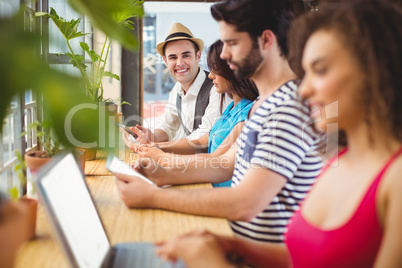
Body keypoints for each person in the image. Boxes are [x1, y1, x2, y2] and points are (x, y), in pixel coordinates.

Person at [154, 1, 402, 267]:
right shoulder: (340, 163)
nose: (303, 90)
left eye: (319, 70)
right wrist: (241, 248)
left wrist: (209, 259)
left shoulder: (392, 178)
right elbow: (305, 257)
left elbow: (244, 199)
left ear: (373, 69)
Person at [114, 0, 323, 244]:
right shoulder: (262, 104)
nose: (223, 54)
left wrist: (153, 196)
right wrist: (163, 174)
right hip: (239, 242)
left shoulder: (288, 108)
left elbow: (245, 202)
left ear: (266, 41)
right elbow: (224, 163)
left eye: (232, 43)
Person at [129, 40, 259, 187]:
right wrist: (155, 146)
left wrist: (161, 157)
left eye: (215, 69)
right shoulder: (231, 109)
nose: (211, 76)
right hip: (207, 183)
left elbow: (214, 160)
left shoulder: (247, 112)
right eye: (173, 57)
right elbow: (199, 141)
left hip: (218, 191)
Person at [128, 23, 225, 144]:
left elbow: (204, 136)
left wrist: (158, 148)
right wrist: (151, 137)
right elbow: (167, 126)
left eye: (186, 55)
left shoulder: (216, 88)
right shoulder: (177, 89)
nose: (179, 63)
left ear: (198, 56)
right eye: (173, 57)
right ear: (165, 61)